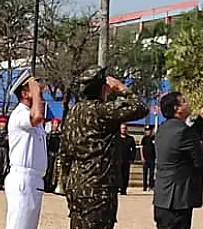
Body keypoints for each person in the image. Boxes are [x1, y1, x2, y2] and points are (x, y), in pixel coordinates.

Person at [63, 66, 148, 229]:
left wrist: (67, 183)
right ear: (104, 88)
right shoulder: (102, 111)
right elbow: (140, 108)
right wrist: (122, 88)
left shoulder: (73, 112)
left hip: (76, 186)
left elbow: (64, 153)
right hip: (98, 188)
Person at [153, 91, 203, 229]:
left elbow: (186, 137)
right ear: (176, 108)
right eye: (184, 101)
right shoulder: (184, 131)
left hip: (163, 198)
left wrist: (201, 119)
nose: (188, 103)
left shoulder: (163, 128)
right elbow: (198, 160)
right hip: (178, 199)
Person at [4, 71, 48, 229]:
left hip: (34, 179)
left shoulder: (30, 115)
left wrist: (36, 93)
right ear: (24, 93)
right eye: (32, 87)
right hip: (22, 177)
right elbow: (36, 117)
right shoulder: (19, 114)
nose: (39, 89)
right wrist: (36, 93)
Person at [114, 124, 136, 195]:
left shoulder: (130, 139)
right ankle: (118, 188)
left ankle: (124, 189)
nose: (123, 130)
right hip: (118, 160)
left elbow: (134, 149)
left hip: (126, 160)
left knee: (125, 175)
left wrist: (132, 158)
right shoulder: (116, 138)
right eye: (122, 128)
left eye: (125, 128)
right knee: (118, 175)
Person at [140, 125, 156, 191]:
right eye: (147, 130)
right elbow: (141, 148)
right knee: (145, 173)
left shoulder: (154, 138)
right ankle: (144, 186)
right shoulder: (144, 138)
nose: (148, 132)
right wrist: (142, 157)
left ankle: (151, 186)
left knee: (151, 173)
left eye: (149, 130)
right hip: (145, 158)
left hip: (152, 158)